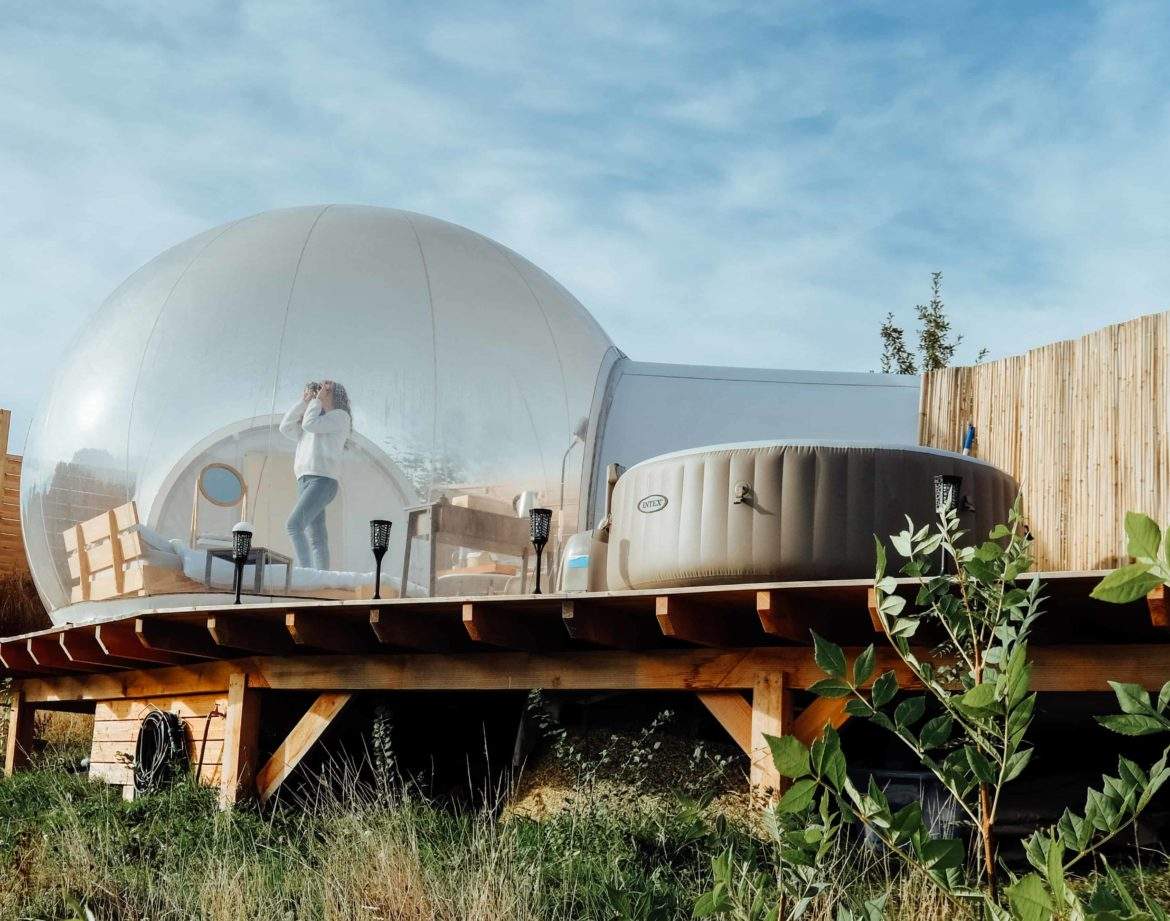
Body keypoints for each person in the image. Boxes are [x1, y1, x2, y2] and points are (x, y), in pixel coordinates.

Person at [279, 379, 352, 569]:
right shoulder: (312, 423)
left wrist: (315, 402)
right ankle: (321, 576)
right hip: (304, 481)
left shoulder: (340, 417)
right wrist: (303, 402)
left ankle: (306, 572)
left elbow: (310, 424)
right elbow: (285, 426)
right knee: (317, 535)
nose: (319, 392)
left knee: (294, 525)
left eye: (324, 389)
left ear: (333, 394)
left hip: (323, 480)